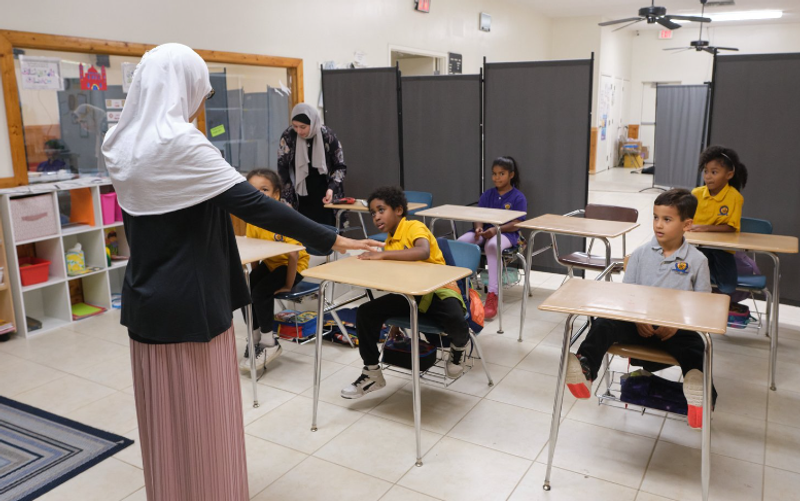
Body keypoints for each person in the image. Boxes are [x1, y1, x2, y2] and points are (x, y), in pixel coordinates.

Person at [101, 43, 381, 501]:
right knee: (204, 422)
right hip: (194, 305)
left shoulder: (118, 143)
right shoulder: (181, 143)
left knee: (163, 422)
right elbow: (259, 206)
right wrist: (335, 239)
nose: (200, 102)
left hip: (146, 302)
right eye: (201, 91)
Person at [564, 188, 716, 429]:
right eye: (655, 217)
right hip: (639, 328)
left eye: (667, 219)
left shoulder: (698, 261)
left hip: (676, 333)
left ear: (687, 225)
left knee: (697, 346)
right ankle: (586, 369)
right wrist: (636, 319)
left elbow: (703, 307)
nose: (658, 224)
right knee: (604, 322)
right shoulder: (640, 254)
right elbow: (628, 297)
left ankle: (701, 396)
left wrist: (677, 325)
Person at [341, 187, 470, 399]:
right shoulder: (390, 241)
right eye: (372, 213)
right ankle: (372, 372)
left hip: (438, 288)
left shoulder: (413, 226)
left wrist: (383, 256)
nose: (376, 217)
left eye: (381, 210)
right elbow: (400, 282)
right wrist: (395, 324)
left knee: (455, 318)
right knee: (366, 312)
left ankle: (459, 347)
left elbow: (423, 251)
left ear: (399, 210)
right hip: (412, 295)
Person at [238, 168, 310, 374]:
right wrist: (255, 276)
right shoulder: (252, 217)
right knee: (245, 289)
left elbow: (294, 255)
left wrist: (288, 284)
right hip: (271, 263)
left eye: (265, 189)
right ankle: (255, 338)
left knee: (260, 293)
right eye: (253, 190)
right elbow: (254, 250)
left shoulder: (283, 217)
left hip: (293, 266)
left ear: (276, 194)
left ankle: (269, 342)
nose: (259, 194)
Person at [458, 156, 526, 319]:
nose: (497, 177)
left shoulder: (518, 197)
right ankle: (461, 289)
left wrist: (496, 230)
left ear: (511, 175)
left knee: (492, 246)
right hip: (485, 232)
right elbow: (478, 216)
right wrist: (479, 227)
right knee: (460, 243)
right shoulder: (487, 195)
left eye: (501, 173)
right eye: (494, 174)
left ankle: (493, 295)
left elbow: (517, 223)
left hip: (507, 234)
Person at [687, 145, 748, 296]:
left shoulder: (735, 197)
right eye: (706, 171)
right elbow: (687, 219)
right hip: (698, 246)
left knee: (727, 287)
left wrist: (705, 228)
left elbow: (731, 228)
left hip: (722, 249)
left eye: (714, 172)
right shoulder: (696, 193)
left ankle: (707, 279)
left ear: (729, 174)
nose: (708, 176)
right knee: (688, 278)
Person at [277, 103, 346, 226]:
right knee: (301, 229)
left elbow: (340, 167)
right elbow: (283, 168)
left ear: (313, 122)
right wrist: (287, 198)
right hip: (299, 194)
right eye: (295, 126)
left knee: (327, 230)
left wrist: (331, 188)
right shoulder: (289, 136)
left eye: (303, 127)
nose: (299, 131)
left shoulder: (327, 135)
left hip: (326, 193)